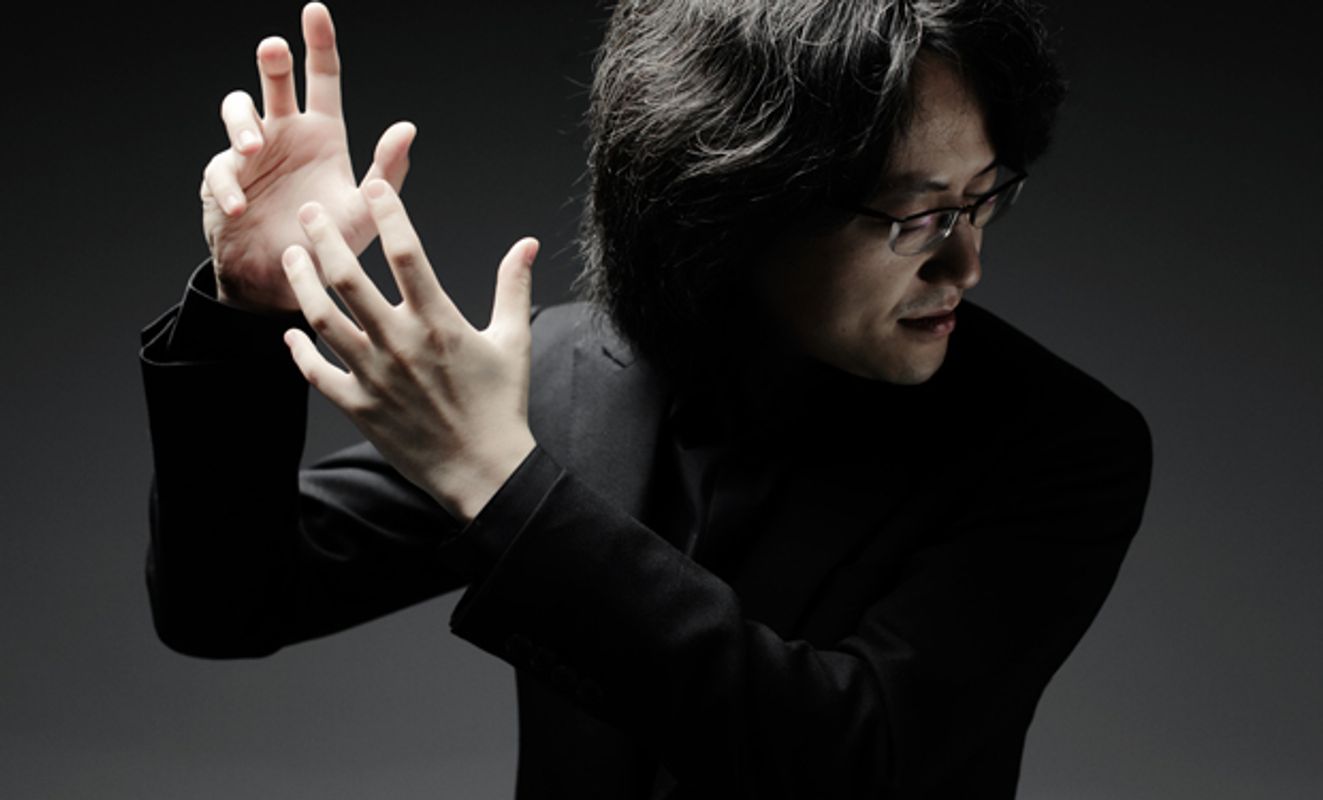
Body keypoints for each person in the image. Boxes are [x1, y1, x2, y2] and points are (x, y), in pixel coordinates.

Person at [139, 1, 1153, 797]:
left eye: (984, 197)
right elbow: (223, 605)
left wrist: (500, 483)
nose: (966, 263)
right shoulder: (561, 372)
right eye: (918, 215)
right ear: (741, 201)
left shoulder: (1061, 443)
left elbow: (858, 761)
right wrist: (247, 302)